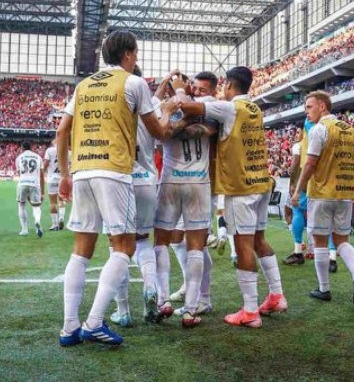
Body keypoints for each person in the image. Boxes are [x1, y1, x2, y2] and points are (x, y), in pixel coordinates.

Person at [56, 30, 176, 347]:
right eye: (135, 53)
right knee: (124, 246)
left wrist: (65, 174)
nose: (136, 58)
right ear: (127, 54)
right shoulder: (133, 83)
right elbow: (159, 132)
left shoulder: (83, 86)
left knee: (81, 251)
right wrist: (169, 108)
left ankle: (69, 328)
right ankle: (94, 322)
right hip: (114, 171)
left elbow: (62, 130)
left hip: (81, 170)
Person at [180, 66, 287, 329]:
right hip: (262, 182)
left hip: (241, 188)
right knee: (260, 240)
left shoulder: (228, 108)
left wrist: (180, 90)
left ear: (228, 85)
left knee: (243, 246)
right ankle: (276, 295)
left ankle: (250, 310)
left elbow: (188, 108)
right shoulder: (255, 109)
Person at [153, 70, 219, 328]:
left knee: (167, 241)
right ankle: (188, 309)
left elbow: (162, 130)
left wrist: (175, 91)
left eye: (199, 88)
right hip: (197, 183)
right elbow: (207, 128)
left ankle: (165, 302)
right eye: (192, 85)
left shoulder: (172, 106)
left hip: (172, 181)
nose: (195, 89)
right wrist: (173, 90)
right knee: (191, 246)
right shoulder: (209, 107)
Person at [291, 91, 354, 306]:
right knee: (342, 240)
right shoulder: (350, 130)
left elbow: (310, 164)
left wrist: (298, 191)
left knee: (320, 241)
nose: (306, 112)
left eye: (309, 107)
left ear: (322, 107)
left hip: (322, 193)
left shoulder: (319, 129)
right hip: (345, 192)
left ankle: (324, 289)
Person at [108, 64, 165, 327]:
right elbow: (158, 100)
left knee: (117, 246)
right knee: (143, 241)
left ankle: (123, 311)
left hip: (121, 178)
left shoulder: (114, 102)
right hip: (147, 180)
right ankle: (151, 287)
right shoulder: (150, 105)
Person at [284, 119, 338, 273]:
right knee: (327, 218)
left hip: (306, 181)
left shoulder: (300, 145)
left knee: (297, 211)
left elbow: (295, 164)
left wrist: (293, 183)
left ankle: (298, 251)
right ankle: (332, 257)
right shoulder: (330, 138)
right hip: (327, 182)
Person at [15, 141, 44, 237]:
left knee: (21, 205)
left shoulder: (19, 157)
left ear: (22, 148)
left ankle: (24, 230)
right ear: (31, 148)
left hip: (22, 183)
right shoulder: (38, 157)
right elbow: (41, 175)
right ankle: (37, 222)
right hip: (35, 184)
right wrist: (43, 192)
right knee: (36, 206)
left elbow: (19, 174)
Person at [43, 140, 68, 231]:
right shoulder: (68, 151)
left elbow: (46, 164)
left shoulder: (49, 150)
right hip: (62, 179)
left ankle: (55, 224)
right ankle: (61, 217)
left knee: (53, 203)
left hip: (52, 179)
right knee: (62, 200)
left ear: (54, 142)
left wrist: (43, 171)